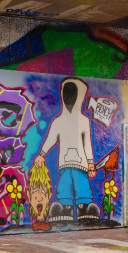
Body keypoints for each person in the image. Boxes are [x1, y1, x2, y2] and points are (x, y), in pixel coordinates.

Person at [33, 77, 100, 221]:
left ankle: (83, 207)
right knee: (64, 185)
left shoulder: (84, 121)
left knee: (81, 185)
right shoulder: (59, 121)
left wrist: (90, 163)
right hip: (65, 162)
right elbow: (50, 139)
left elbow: (87, 143)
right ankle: (66, 207)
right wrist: (42, 155)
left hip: (80, 163)